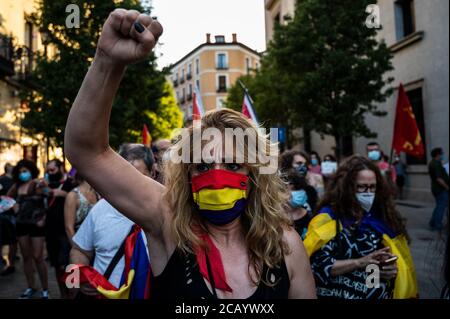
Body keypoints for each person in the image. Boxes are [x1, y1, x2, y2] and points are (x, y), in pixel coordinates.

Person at [64, 9, 316, 299]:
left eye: (233, 164)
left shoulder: (286, 245)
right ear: (186, 174)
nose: (218, 177)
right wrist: (108, 61)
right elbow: (86, 151)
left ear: (255, 173)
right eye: (202, 166)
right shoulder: (167, 224)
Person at [303, 156, 417, 299]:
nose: (368, 192)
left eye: (372, 187)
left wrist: (384, 271)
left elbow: (372, 278)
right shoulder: (329, 217)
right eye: (362, 186)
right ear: (347, 187)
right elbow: (316, 267)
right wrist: (359, 263)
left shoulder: (381, 219)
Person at [70, 143, 154, 298]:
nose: (130, 184)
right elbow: (79, 250)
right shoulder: (100, 209)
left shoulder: (166, 214)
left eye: (139, 177)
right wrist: (77, 280)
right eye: (125, 177)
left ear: (152, 174)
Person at [7, 160, 49, 299]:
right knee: (26, 257)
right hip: (21, 224)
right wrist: (13, 206)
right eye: (20, 172)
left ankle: (45, 289)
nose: (22, 174)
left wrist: (44, 218)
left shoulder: (37, 183)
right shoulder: (17, 186)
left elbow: (48, 198)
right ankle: (31, 287)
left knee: (38, 257)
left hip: (36, 224)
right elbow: (7, 198)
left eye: (25, 171)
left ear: (31, 170)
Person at [42, 159, 74, 299]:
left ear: (61, 167)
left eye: (52, 170)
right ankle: (63, 295)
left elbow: (81, 200)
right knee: (57, 266)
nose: (50, 173)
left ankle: (73, 294)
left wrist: (66, 195)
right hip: (51, 231)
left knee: (69, 266)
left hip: (67, 231)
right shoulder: (47, 185)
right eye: (48, 170)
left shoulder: (70, 183)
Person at [64, 173, 98, 247]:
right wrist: (78, 249)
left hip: (96, 242)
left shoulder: (97, 194)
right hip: (79, 243)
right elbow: (69, 228)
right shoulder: (73, 196)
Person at [283, 169, 312, 240]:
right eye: (292, 190)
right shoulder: (276, 217)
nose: (296, 193)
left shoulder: (309, 213)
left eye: (297, 189)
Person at [0, 163, 17, 276]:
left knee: (13, 240)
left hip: (13, 214)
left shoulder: (17, 180)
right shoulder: (1, 179)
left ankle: (11, 263)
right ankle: (4, 260)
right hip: (3, 213)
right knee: (3, 239)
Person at [428, 148, 449, 231]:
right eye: (442, 153)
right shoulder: (436, 164)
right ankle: (437, 225)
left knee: (438, 206)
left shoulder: (433, 163)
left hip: (436, 188)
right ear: (438, 154)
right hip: (440, 189)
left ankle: (433, 222)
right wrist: (447, 187)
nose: (443, 155)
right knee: (441, 207)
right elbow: (439, 179)